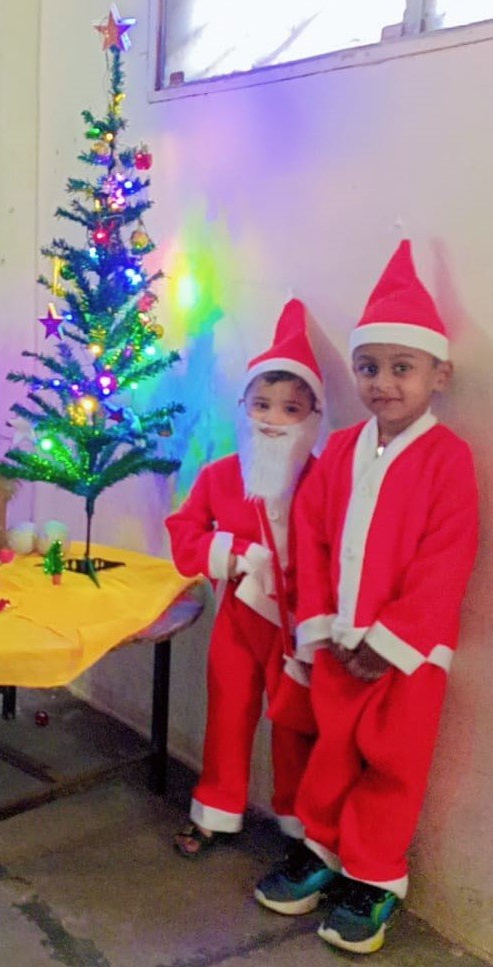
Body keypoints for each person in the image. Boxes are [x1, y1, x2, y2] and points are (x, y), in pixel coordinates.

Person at [254, 241, 479, 955]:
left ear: (438, 374)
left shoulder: (448, 460)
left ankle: (373, 877)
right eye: (368, 367)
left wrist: (389, 641)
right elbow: (313, 539)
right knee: (331, 752)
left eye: (400, 367)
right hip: (336, 645)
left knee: (391, 765)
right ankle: (320, 850)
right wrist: (321, 626)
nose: (382, 383)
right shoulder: (343, 451)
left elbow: (447, 558)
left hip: (405, 658)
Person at [165, 298, 324, 858]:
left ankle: (299, 825)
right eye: (261, 404)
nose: (272, 419)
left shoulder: (323, 480)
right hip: (236, 618)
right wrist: (233, 555)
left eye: (289, 408)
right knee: (227, 716)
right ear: (244, 408)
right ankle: (214, 811)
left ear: (311, 417)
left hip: (294, 627)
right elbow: (184, 533)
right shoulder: (219, 475)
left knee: (295, 726)